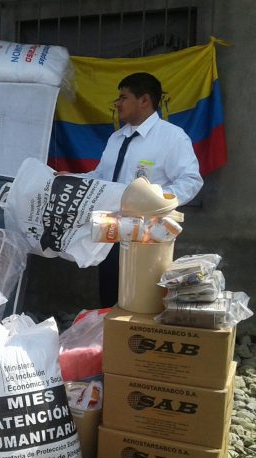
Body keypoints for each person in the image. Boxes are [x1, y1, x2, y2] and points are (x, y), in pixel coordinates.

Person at [86, 72, 203, 307]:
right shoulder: (117, 138)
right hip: (111, 231)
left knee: (140, 303)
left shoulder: (172, 137)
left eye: (123, 97)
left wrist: (156, 203)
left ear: (144, 100)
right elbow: (100, 177)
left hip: (147, 237)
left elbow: (191, 180)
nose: (117, 104)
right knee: (109, 298)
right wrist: (72, 178)